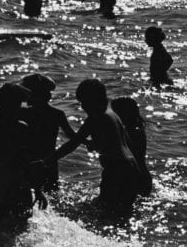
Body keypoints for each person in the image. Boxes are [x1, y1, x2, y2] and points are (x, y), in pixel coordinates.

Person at [35, 79, 143, 217]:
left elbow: (72, 144)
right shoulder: (112, 114)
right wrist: (98, 144)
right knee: (121, 214)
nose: (83, 107)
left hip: (116, 170)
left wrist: (45, 162)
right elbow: (123, 143)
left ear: (93, 101)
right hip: (132, 167)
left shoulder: (95, 118)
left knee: (106, 212)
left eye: (84, 103)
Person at [0, 83, 47, 230]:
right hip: (19, 188)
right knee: (21, 230)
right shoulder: (22, 128)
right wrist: (38, 190)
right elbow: (31, 162)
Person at [110, 97, 153, 197]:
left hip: (134, 178)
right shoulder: (137, 129)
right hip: (142, 177)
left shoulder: (131, 132)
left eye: (115, 112)